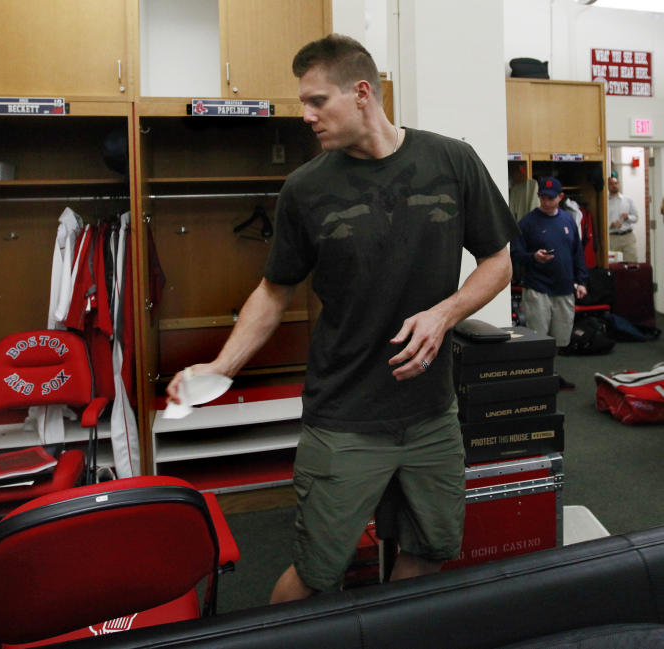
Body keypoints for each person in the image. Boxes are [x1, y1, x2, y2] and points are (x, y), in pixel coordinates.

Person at [166, 34, 517, 602]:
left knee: (428, 551)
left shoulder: (451, 161)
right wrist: (221, 365)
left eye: (316, 101)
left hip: (431, 412)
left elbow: (498, 262)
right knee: (316, 575)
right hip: (344, 418)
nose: (305, 116)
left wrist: (444, 315)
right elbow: (273, 291)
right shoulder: (306, 189)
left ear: (361, 94)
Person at [511, 177, 588, 389]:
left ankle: (551, 374)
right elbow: (515, 253)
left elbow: (577, 253)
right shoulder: (527, 222)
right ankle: (538, 379)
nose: (546, 202)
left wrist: (581, 281)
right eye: (542, 198)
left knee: (560, 339)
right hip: (538, 287)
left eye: (550, 198)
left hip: (563, 288)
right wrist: (533, 257)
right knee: (539, 337)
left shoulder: (568, 221)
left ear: (560, 197)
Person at [607, 174, 639, 262]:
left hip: (627, 237)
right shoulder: (605, 202)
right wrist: (611, 224)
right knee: (614, 266)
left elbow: (636, 217)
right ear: (608, 186)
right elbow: (602, 221)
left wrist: (628, 217)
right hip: (613, 238)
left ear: (619, 184)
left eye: (616, 183)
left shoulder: (627, 200)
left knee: (631, 264)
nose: (614, 185)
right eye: (611, 184)